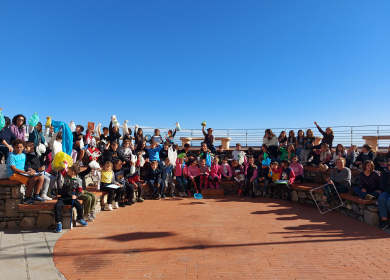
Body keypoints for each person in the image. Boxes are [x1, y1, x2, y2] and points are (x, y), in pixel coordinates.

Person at [7, 139, 45, 204]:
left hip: (23, 173)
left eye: (21, 147)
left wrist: (30, 170)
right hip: (13, 174)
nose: (19, 149)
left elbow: (25, 166)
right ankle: (27, 199)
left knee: (40, 177)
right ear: (13, 147)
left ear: (23, 147)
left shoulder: (23, 155)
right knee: (32, 180)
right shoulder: (11, 156)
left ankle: (36, 196)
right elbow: (13, 169)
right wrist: (26, 172)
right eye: (17, 147)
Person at [53, 163, 88, 233]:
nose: (67, 170)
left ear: (73, 172)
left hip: (71, 198)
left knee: (80, 207)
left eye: (69, 169)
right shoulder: (66, 176)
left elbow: (79, 191)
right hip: (63, 197)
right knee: (57, 206)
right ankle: (58, 223)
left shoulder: (79, 180)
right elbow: (62, 170)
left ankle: (79, 218)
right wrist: (63, 163)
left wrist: (76, 196)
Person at [378, 162, 390, 229]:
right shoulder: (386, 173)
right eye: (388, 165)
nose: (389, 166)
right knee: (381, 198)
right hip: (387, 191)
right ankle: (384, 220)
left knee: (389, 201)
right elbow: (385, 183)